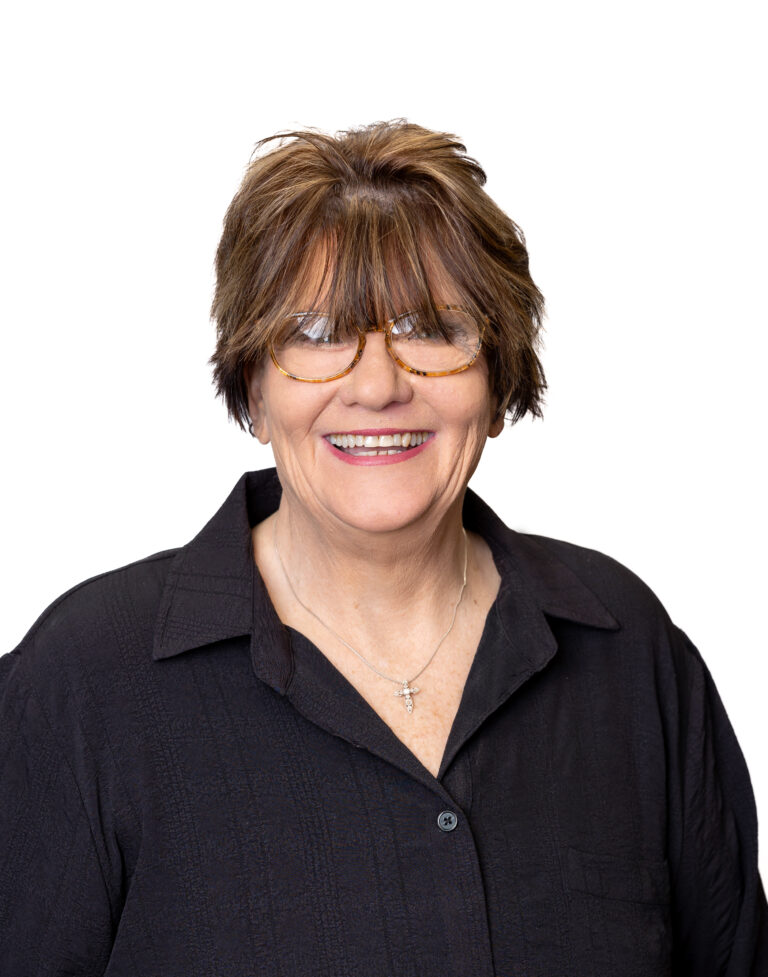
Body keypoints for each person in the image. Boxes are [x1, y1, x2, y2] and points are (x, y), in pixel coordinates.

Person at [1, 121, 765, 976]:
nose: (377, 385)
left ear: (498, 379)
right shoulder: (80, 684)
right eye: (320, 334)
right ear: (254, 386)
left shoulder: (629, 652)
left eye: (430, 328)